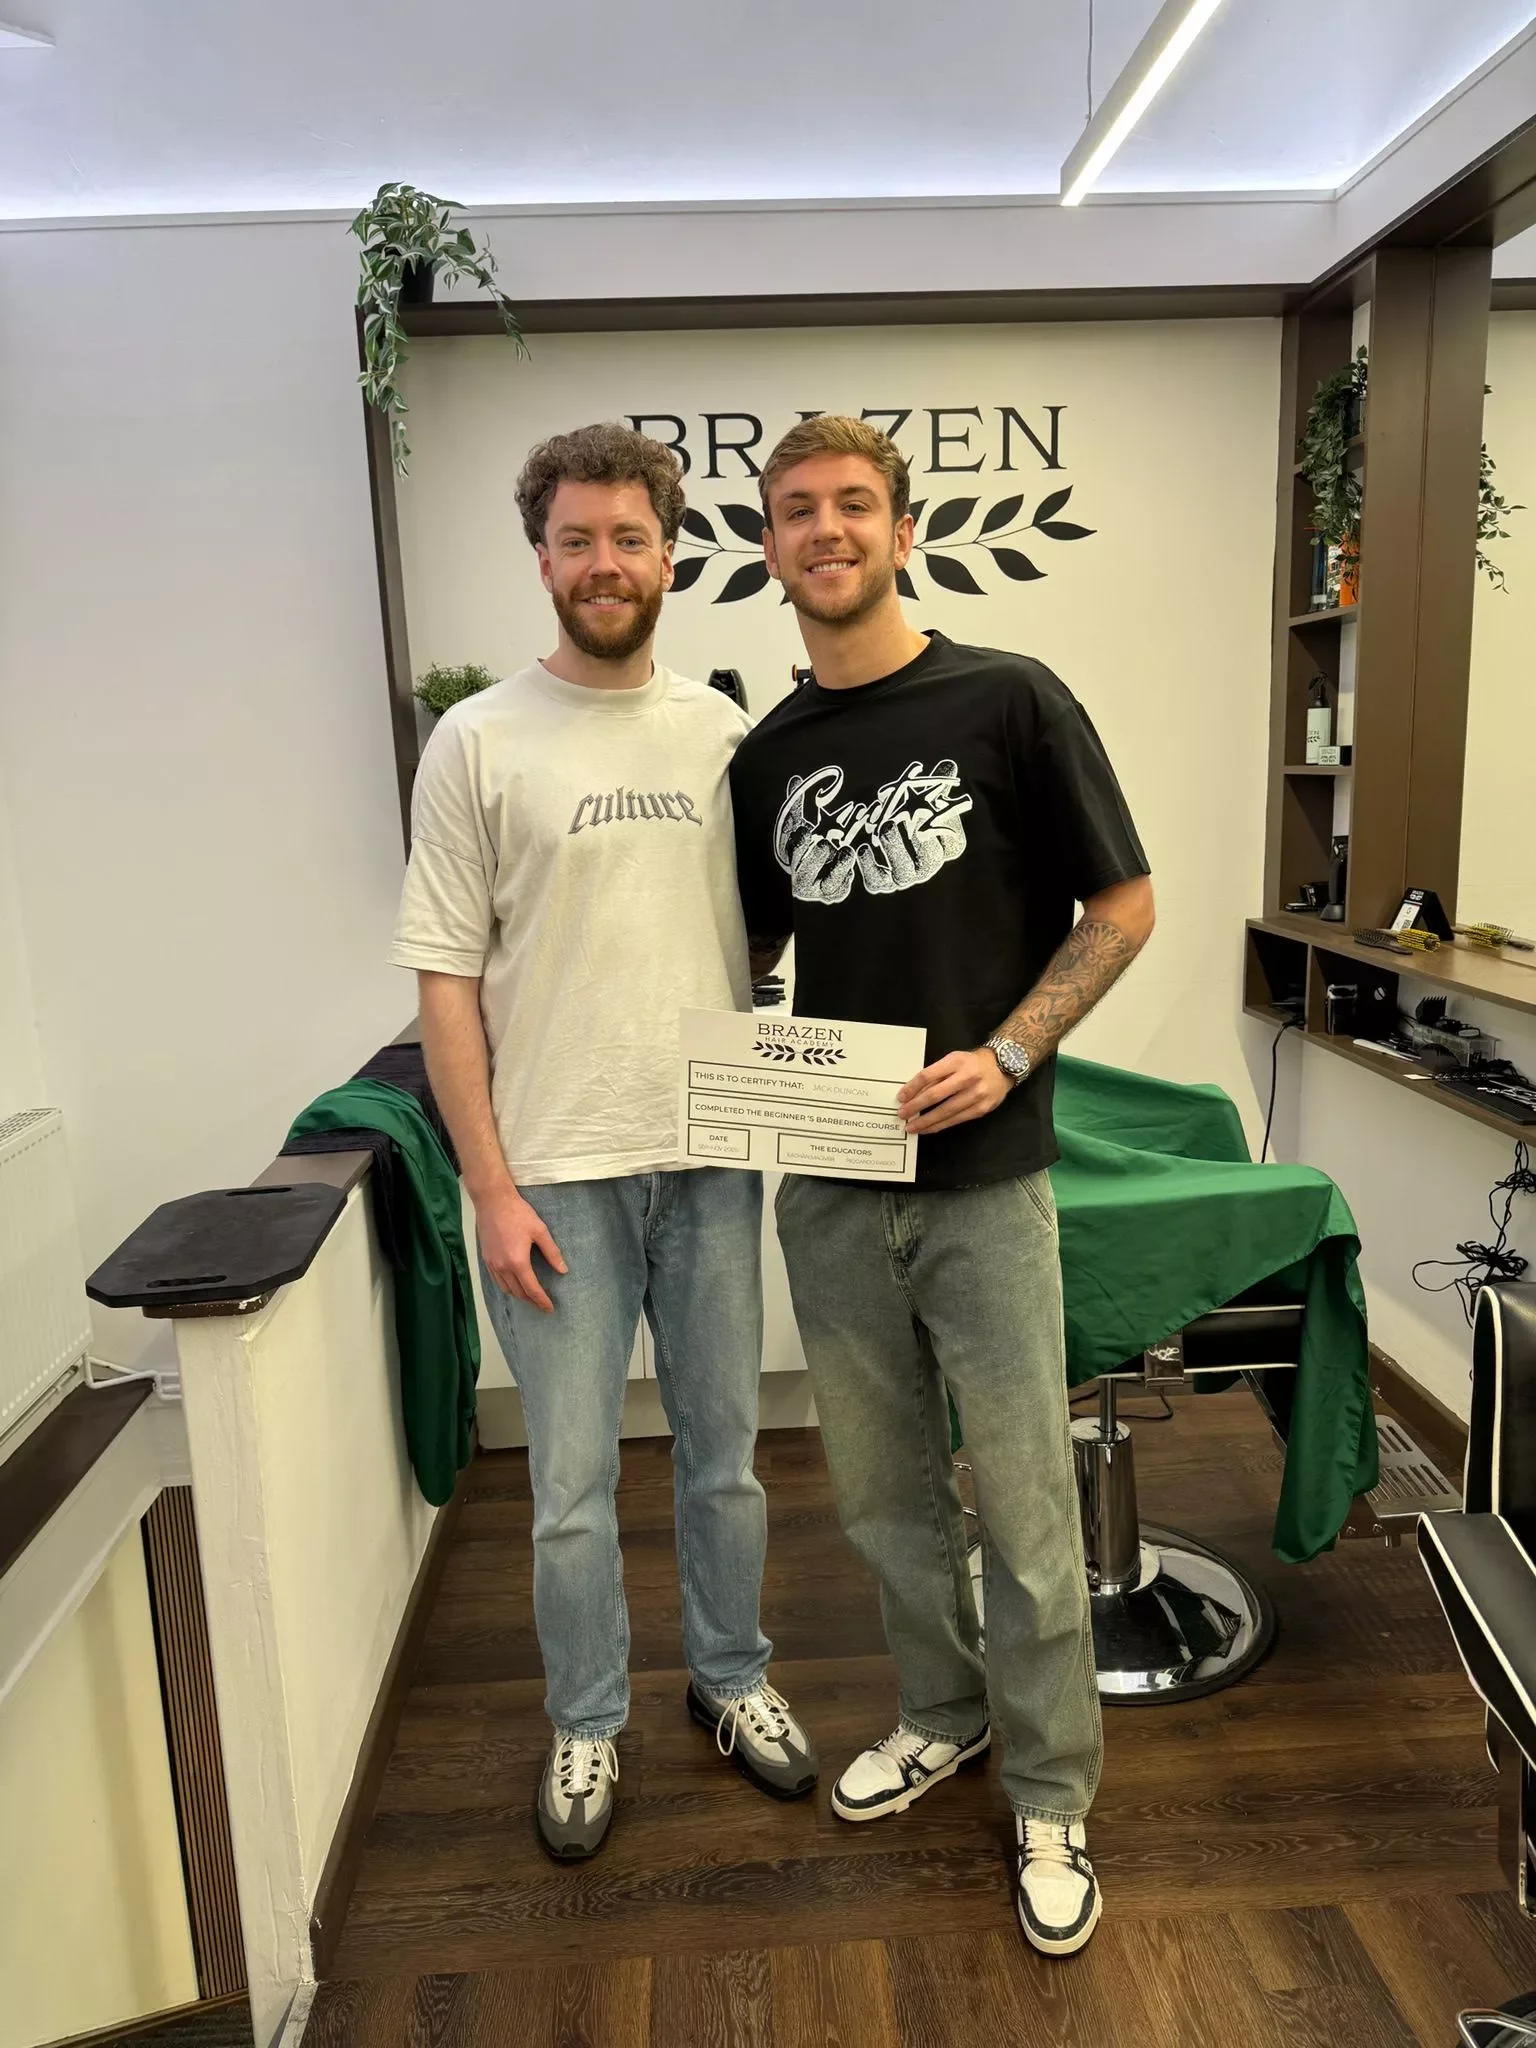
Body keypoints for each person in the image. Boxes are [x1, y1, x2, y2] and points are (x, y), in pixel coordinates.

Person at [729, 415, 1154, 1957]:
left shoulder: (1010, 699)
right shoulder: (765, 754)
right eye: (797, 513)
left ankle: (1052, 1792)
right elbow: (745, 956)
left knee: (1029, 1509)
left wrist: (1015, 1049)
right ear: (767, 550)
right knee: (883, 1500)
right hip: (832, 1186)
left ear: (903, 531)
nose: (826, 532)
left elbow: (1127, 902)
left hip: (983, 1178)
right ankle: (941, 1714)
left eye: (854, 506)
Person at [390, 422, 817, 1863]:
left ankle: (733, 1677)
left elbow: (768, 928)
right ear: (542, 558)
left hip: (708, 1155)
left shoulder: (723, 732)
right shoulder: (478, 740)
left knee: (727, 1462)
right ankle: (587, 1716)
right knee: (569, 1488)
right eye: (576, 539)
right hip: (556, 1171)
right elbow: (446, 981)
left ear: (672, 553)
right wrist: (488, 1187)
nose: (604, 563)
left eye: (629, 538)